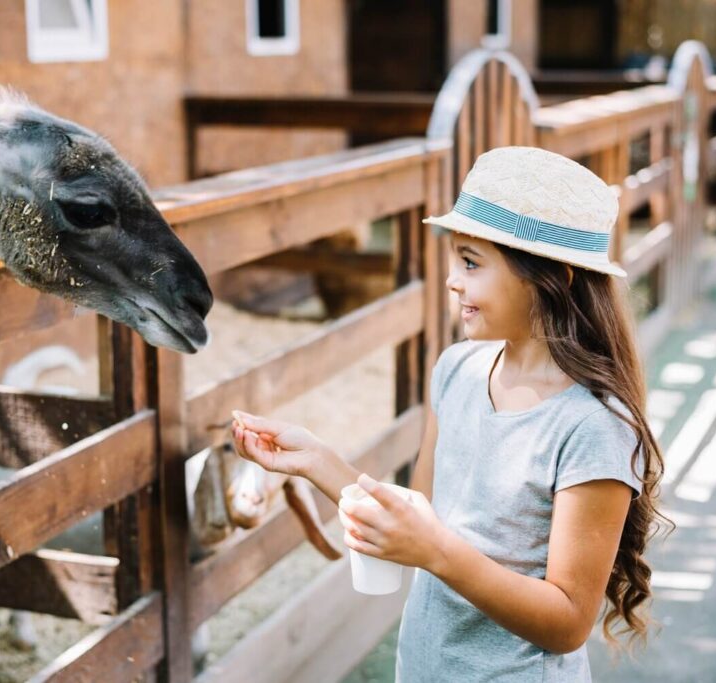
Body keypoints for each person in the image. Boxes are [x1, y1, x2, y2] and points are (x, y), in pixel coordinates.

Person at [231, 146, 666, 682]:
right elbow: (419, 517)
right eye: (456, 259)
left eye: (471, 262)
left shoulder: (593, 425)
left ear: (552, 277)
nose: (452, 280)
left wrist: (436, 553)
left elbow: (567, 623)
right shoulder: (457, 370)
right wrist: (317, 461)